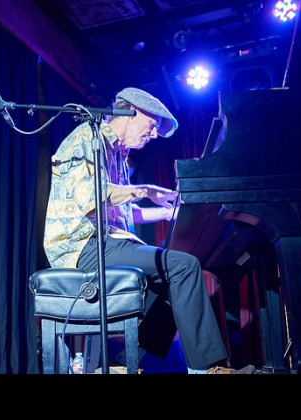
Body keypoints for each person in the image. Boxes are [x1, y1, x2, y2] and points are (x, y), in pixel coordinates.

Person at [43, 87, 257, 374]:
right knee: (184, 267)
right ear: (131, 111)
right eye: (153, 125)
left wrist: (168, 212)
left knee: (175, 283)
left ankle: (122, 366)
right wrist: (145, 190)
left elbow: (122, 212)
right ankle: (206, 369)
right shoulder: (87, 138)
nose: (154, 135)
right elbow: (92, 201)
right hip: (81, 249)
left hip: (105, 243)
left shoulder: (117, 154)